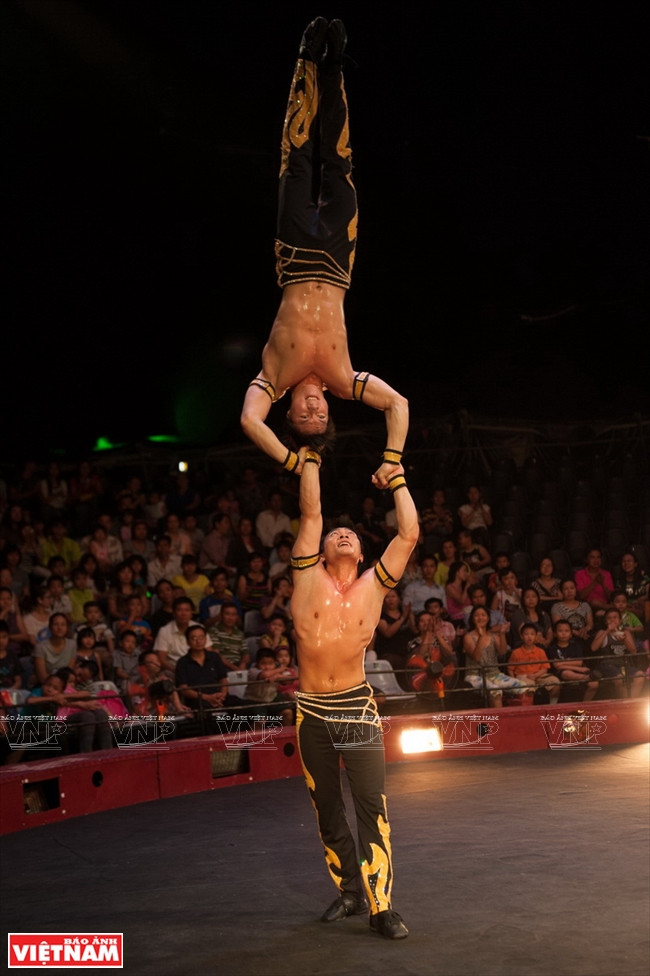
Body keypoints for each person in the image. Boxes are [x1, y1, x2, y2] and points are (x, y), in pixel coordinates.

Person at [240, 17, 408, 491]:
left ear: (288, 411)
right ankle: (334, 66)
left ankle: (306, 58)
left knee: (297, 160)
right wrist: (392, 458)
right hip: (338, 259)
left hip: (295, 255)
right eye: (320, 416)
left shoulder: (272, 378)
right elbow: (399, 405)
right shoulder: (344, 377)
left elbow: (251, 424)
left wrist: (295, 462)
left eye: (304, 416)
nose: (314, 409)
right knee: (338, 160)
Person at [291, 444, 419, 940]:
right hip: (311, 713)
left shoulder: (375, 586)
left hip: (356, 707)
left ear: (361, 551)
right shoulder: (305, 577)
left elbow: (408, 532)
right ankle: (348, 890)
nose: (341, 534)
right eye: (333, 534)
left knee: (371, 803)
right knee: (326, 808)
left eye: (349, 534)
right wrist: (312, 462)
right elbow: (311, 510)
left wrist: (397, 478)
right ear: (320, 549)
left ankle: (380, 904)